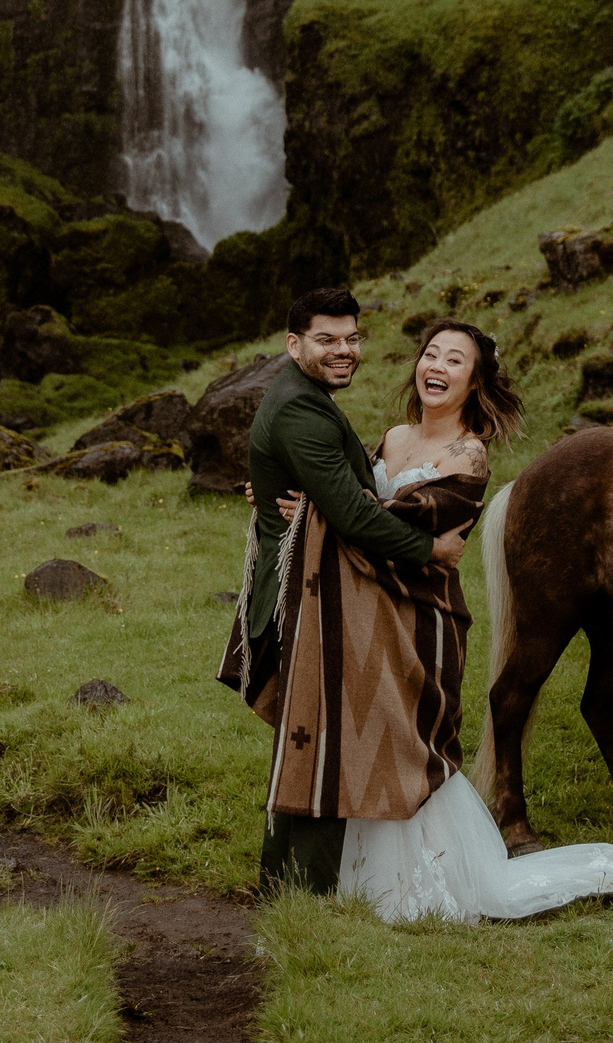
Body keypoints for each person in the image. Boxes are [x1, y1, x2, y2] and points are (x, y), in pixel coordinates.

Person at [222, 300, 613, 921]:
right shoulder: (391, 438)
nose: (436, 366)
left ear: (474, 381)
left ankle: (424, 875)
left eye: (455, 360)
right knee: (361, 732)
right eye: (431, 354)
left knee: (402, 737)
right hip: (360, 616)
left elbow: (375, 515)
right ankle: (357, 871)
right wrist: (296, 494)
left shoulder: (468, 456)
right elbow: (343, 489)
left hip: (415, 615)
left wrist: (352, 520)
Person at [216, 287, 468, 896]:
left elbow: (345, 490)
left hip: (324, 589)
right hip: (310, 599)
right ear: (293, 344)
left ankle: (298, 884)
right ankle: (302, 891)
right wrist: (430, 550)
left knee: (318, 737)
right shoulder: (302, 408)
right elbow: (355, 516)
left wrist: (295, 493)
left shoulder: (307, 398)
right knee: (320, 738)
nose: (344, 350)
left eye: (352, 338)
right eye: (327, 340)